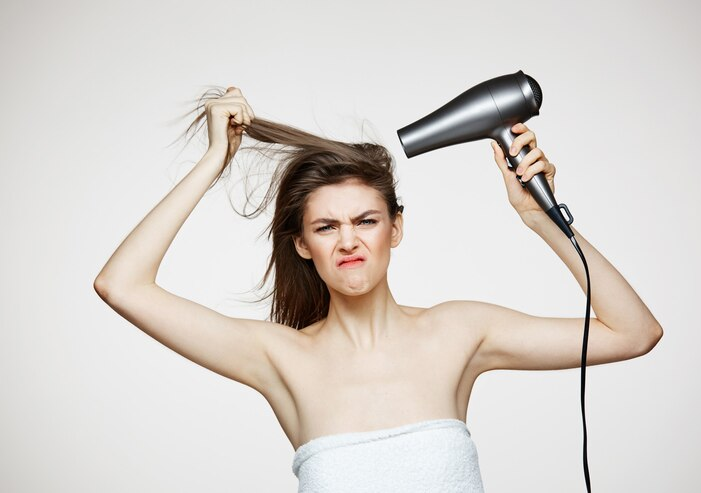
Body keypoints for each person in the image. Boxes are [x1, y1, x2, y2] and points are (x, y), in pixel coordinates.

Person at [93, 87, 663, 492]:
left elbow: (634, 332)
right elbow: (121, 285)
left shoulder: (458, 331)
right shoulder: (280, 358)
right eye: (325, 226)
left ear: (396, 228)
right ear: (301, 244)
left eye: (366, 220)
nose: (348, 241)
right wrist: (215, 161)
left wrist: (540, 217)